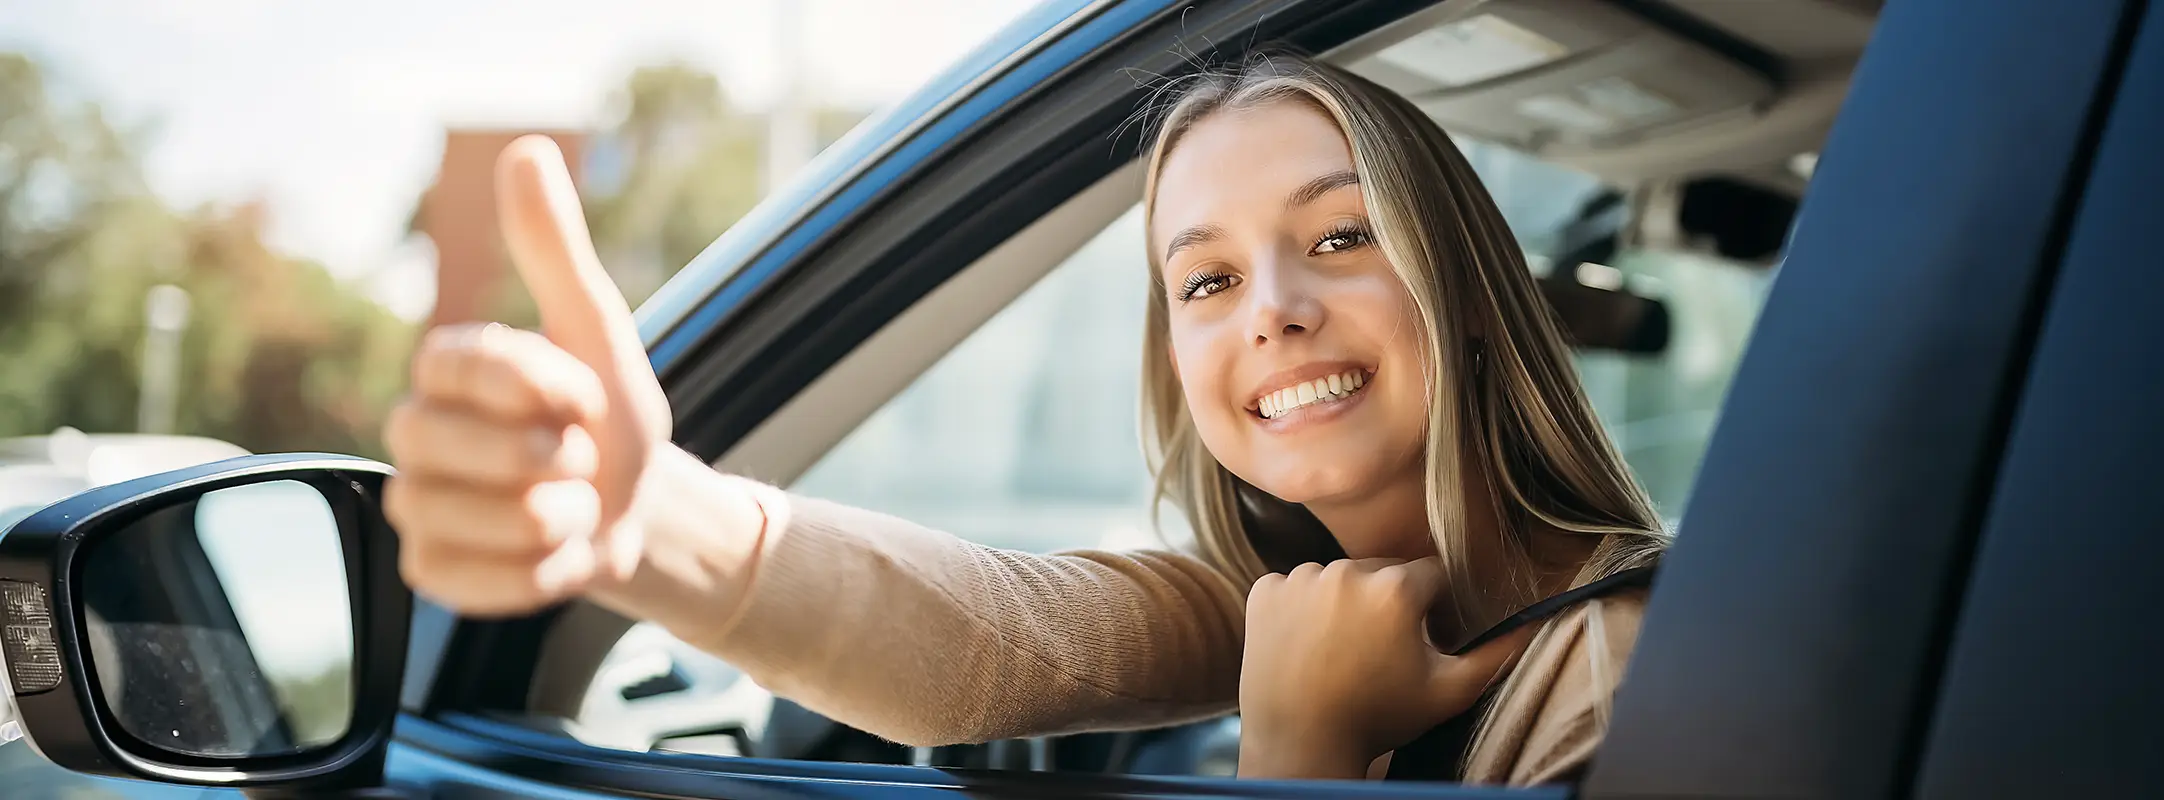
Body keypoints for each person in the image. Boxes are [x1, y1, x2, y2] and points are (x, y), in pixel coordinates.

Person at [380, 52, 1670, 785]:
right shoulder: (1264, 603)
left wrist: (1302, 749)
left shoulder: (1624, 674)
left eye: (1340, 236)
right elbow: (993, 641)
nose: (1268, 311)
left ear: (1472, 291)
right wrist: (654, 518)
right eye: (1205, 280)